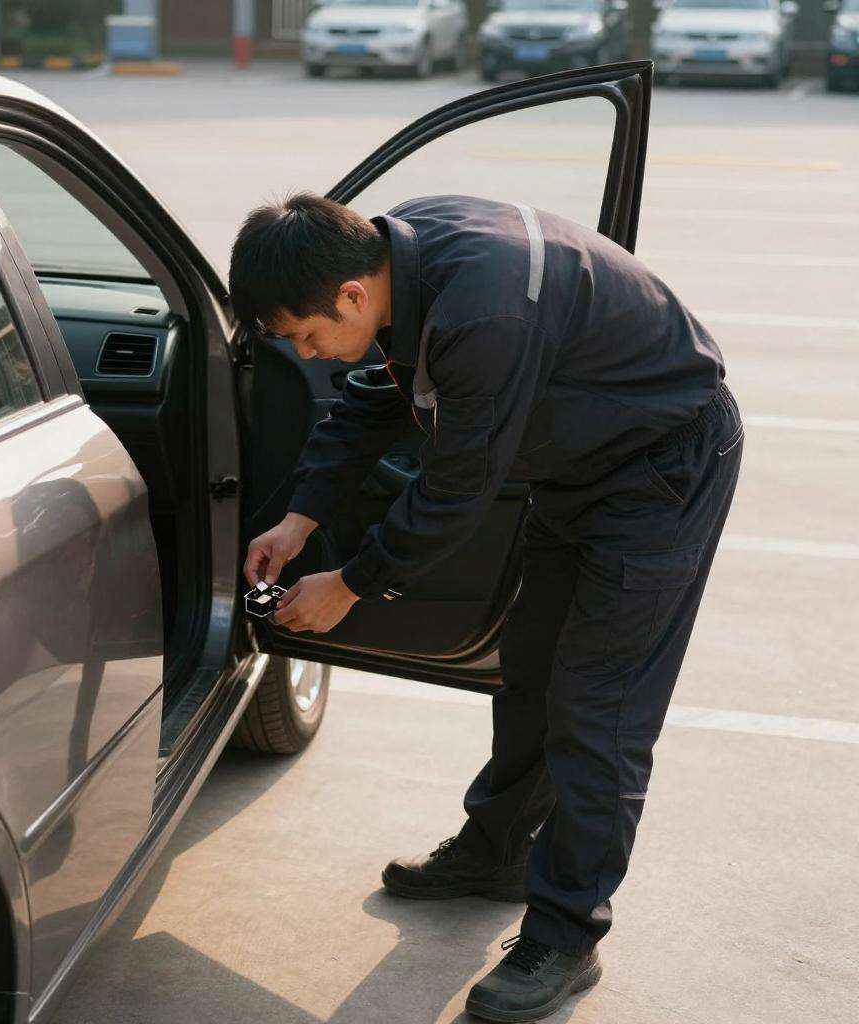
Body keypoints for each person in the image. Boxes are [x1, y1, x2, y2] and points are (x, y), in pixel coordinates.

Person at [229, 192, 743, 1023]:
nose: (308, 354)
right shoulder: (397, 255)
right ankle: (498, 849)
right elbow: (373, 397)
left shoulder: (482, 314)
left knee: (598, 708)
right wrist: (300, 517)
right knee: (530, 673)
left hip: (663, 465)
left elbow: (458, 486)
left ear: (352, 295)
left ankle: (567, 934)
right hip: (580, 461)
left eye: (305, 335)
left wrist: (350, 585)